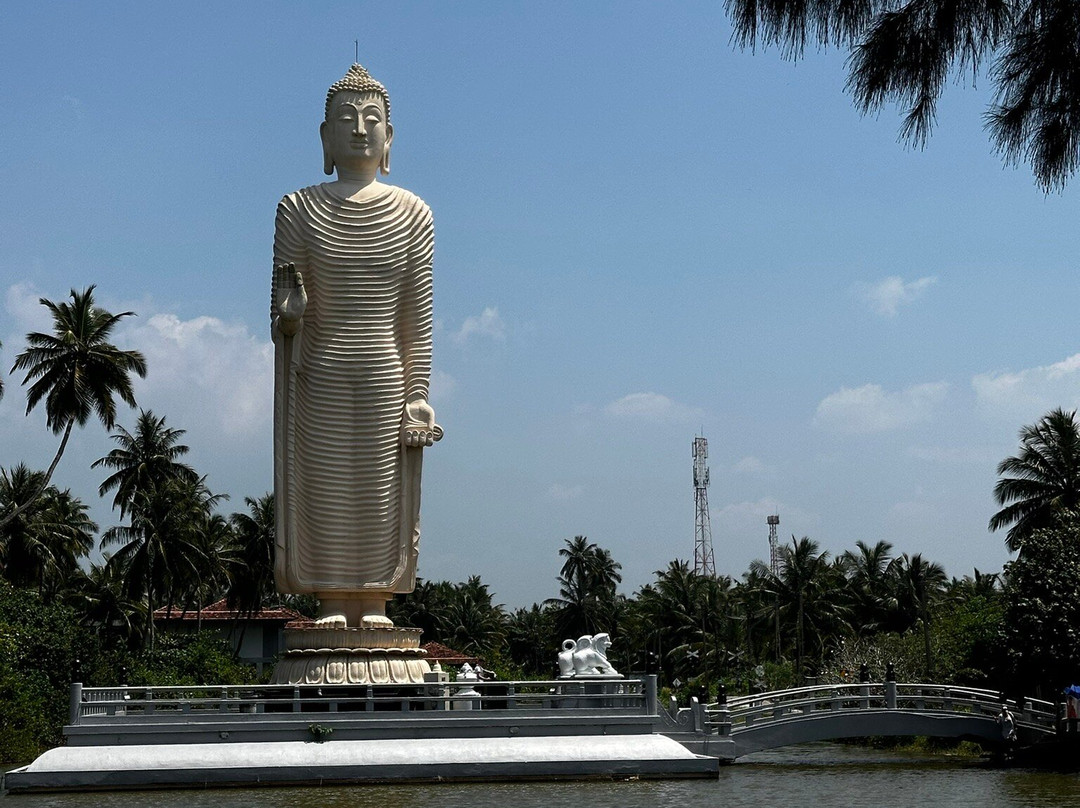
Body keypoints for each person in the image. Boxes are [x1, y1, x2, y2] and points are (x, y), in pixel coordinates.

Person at [272, 64, 441, 628]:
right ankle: (329, 597)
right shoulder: (297, 209)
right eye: (346, 120)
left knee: (378, 493)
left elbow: (417, 320)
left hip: (384, 374)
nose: (360, 130)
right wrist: (289, 316)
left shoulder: (414, 214)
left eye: (373, 120)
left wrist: (417, 395)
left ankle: (373, 598)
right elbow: (284, 309)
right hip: (318, 370)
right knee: (323, 487)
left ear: (390, 138)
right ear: (325, 136)